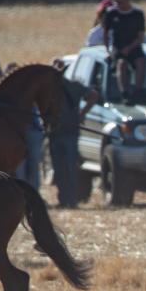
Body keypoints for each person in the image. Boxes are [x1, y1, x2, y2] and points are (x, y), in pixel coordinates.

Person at [49, 58, 98, 208]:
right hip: (55, 133)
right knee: (59, 168)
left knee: (70, 168)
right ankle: (64, 199)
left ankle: (71, 200)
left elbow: (93, 95)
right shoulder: (50, 88)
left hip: (69, 132)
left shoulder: (72, 86)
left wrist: (81, 114)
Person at [103, 0, 146, 101]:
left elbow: (141, 36)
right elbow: (105, 33)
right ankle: (125, 93)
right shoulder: (112, 13)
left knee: (141, 62)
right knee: (121, 64)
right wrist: (108, 50)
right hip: (118, 47)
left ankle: (138, 91)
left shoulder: (137, 14)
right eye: (116, 2)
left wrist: (130, 47)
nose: (118, 5)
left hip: (134, 45)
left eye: (121, 2)